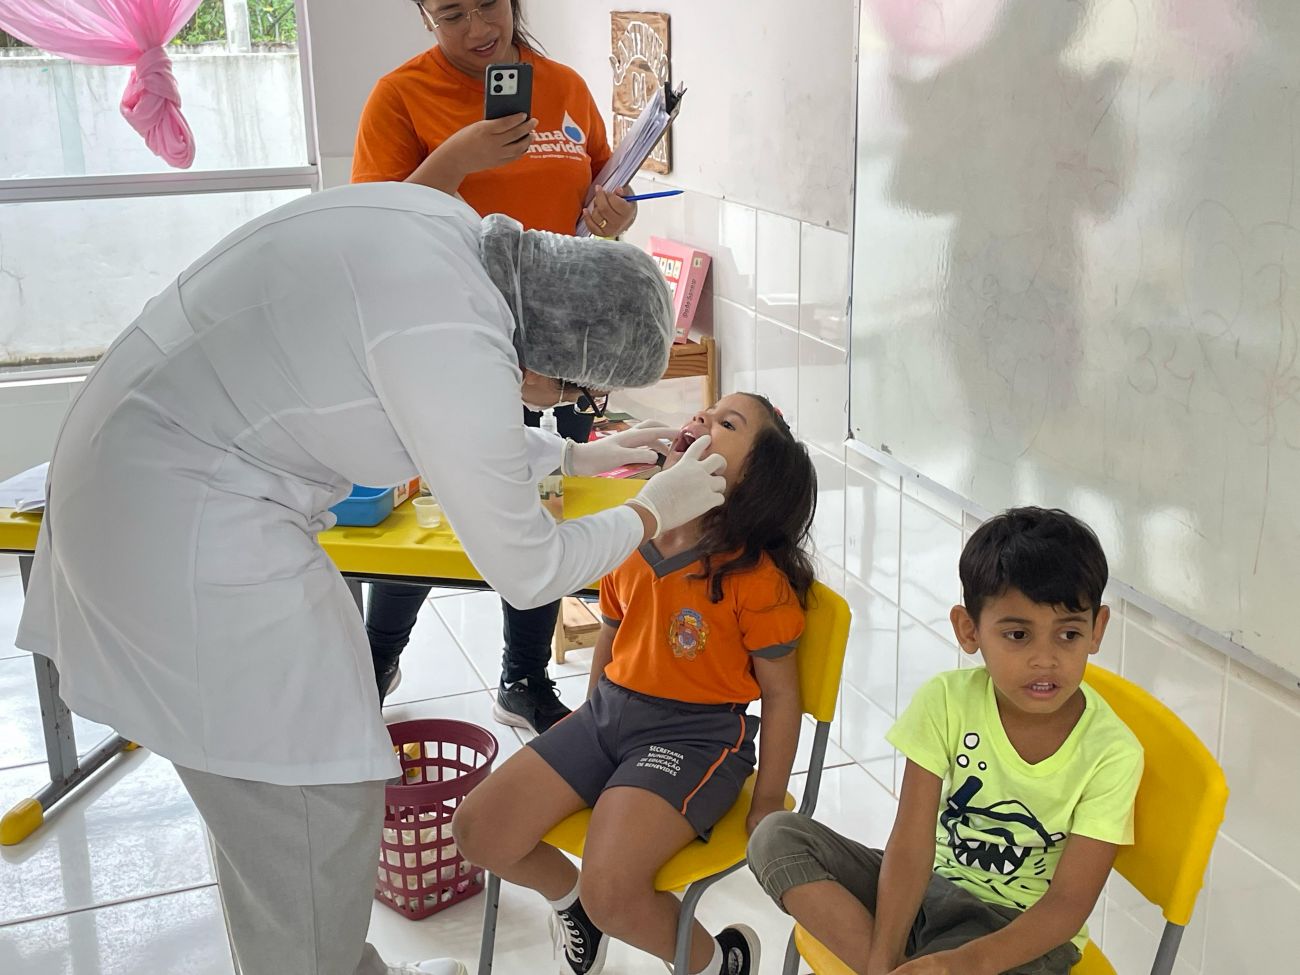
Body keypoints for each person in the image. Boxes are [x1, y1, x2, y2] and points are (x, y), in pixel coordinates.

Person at [15, 181, 728, 975]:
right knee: (305, 800)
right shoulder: (453, 331)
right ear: (551, 360)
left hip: (154, 479)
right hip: (179, 530)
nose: (576, 404)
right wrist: (650, 510)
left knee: (283, 809)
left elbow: (438, 409)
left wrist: (571, 454)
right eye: (582, 395)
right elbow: (529, 569)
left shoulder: (459, 245)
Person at [453, 393, 819, 975]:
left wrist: (769, 800)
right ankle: (572, 906)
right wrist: (587, 722)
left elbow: (781, 696)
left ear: (753, 482)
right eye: (706, 411)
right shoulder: (630, 536)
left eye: (727, 423)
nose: (702, 418)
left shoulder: (756, 581)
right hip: (607, 717)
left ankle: (721, 963)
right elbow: (611, 636)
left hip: (693, 738)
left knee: (614, 891)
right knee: (478, 830)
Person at [353, 0, 638, 729]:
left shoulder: (563, 86)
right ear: (425, 18)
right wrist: (456, 159)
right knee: (437, 507)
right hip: (450, 342)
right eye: (452, 14)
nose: (479, 29)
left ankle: (524, 676)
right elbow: (369, 231)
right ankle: (375, 663)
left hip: (556, 339)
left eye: (488, 5)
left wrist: (616, 211)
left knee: (543, 505)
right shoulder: (400, 97)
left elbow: (601, 187)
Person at [747, 507, 1145, 975]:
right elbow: (910, 845)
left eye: (1069, 634)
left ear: (1097, 629)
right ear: (968, 630)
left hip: (1016, 935)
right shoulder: (946, 701)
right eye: (1018, 634)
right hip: (929, 891)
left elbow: (1067, 907)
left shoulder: (1113, 753)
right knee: (775, 836)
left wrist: (963, 963)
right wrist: (883, 956)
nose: (1045, 659)